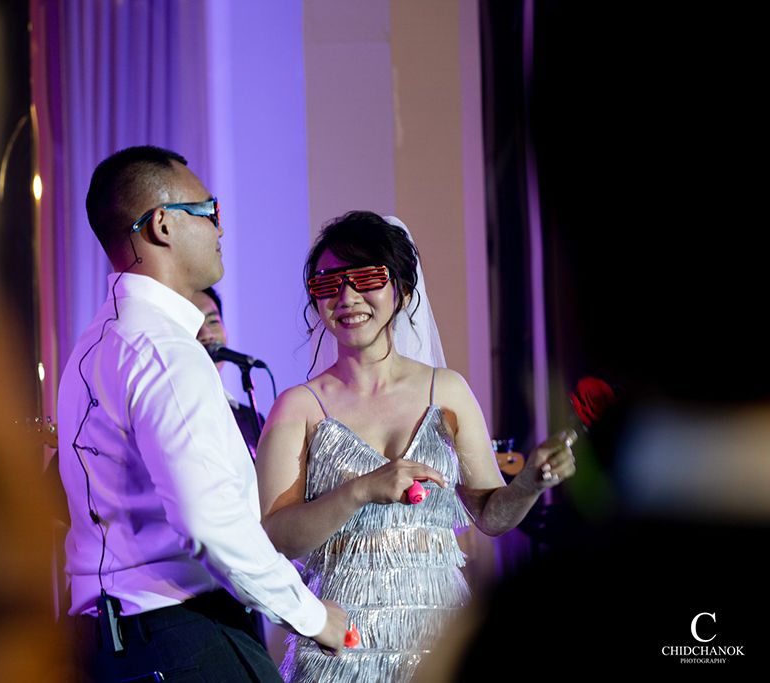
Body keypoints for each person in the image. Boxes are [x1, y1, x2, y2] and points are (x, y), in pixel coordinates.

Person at [57, 146, 346, 682]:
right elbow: (207, 521)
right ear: (163, 225)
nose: (220, 227)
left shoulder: (93, 345)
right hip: (181, 632)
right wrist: (311, 615)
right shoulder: (164, 349)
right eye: (209, 210)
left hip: (107, 644)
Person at [256, 211, 575, 682]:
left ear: (402, 290)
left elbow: (490, 516)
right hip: (341, 646)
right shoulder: (298, 407)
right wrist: (361, 490)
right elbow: (276, 537)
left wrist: (529, 482)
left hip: (440, 636)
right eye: (328, 283)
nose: (347, 297)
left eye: (367, 278)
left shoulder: (446, 390)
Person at [191, 286, 265, 456]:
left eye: (213, 322)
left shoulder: (250, 418)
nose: (207, 334)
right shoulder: (178, 413)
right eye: (193, 323)